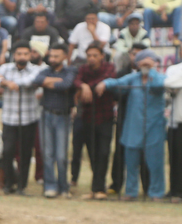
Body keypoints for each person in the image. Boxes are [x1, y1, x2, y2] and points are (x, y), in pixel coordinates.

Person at [96, 50, 168, 200]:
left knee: (155, 162)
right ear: (137, 64)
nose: (146, 65)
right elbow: (116, 82)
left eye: (149, 61)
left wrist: (150, 72)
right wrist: (104, 83)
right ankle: (131, 191)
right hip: (133, 126)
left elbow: (158, 85)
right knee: (131, 162)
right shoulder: (133, 78)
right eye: (143, 62)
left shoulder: (160, 78)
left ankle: (156, 192)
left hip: (154, 126)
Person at [0, 41, 41, 195]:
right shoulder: (6, 68)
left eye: (25, 54)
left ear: (30, 55)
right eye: (19, 54)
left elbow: (30, 81)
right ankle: (8, 184)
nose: (22, 57)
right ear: (14, 55)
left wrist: (6, 82)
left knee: (25, 154)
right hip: (9, 118)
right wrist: (5, 82)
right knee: (7, 152)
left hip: (29, 118)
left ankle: (21, 186)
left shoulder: (36, 69)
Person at [72, 43, 117, 199]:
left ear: (102, 56)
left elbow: (106, 79)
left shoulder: (109, 67)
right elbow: (76, 80)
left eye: (95, 55)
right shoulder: (83, 69)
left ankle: (99, 188)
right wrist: (83, 86)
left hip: (105, 117)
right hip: (88, 117)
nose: (91, 58)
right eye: (89, 55)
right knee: (92, 153)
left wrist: (86, 86)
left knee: (104, 152)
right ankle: (97, 188)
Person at [33, 44, 77, 198]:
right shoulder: (46, 70)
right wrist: (55, 81)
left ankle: (63, 187)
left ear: (65, 56)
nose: (52, 59)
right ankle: (50, 186)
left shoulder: (71, 70)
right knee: (47, 153)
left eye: (56, 56)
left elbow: (66, 84)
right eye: (51, 56)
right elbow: (37, 80)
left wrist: (48, 83)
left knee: (61, 155)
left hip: (63, 115)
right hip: (46, 114)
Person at [165, 59, 182, 202]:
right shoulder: (174, 69)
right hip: (176, 121)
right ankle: (175, 190)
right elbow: (168, 83)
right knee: (175, 158)